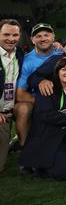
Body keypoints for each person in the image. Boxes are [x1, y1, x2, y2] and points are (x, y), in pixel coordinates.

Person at [15, 23, 63, 146]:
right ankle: (24, 147)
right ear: (32, 40)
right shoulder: (26, 60)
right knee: (23, 108)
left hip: (61, 99)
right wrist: (43, 102)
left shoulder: (62, 54)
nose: (43, 39)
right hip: (36, 101)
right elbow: (20, 94)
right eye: (38, 36)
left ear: (53, 37)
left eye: (46, 35)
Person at [0, 19, 24, 173]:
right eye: (6, 34)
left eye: (15, 35)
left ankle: (19, 145)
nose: (11, 38)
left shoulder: (20, 54)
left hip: (10, 110)